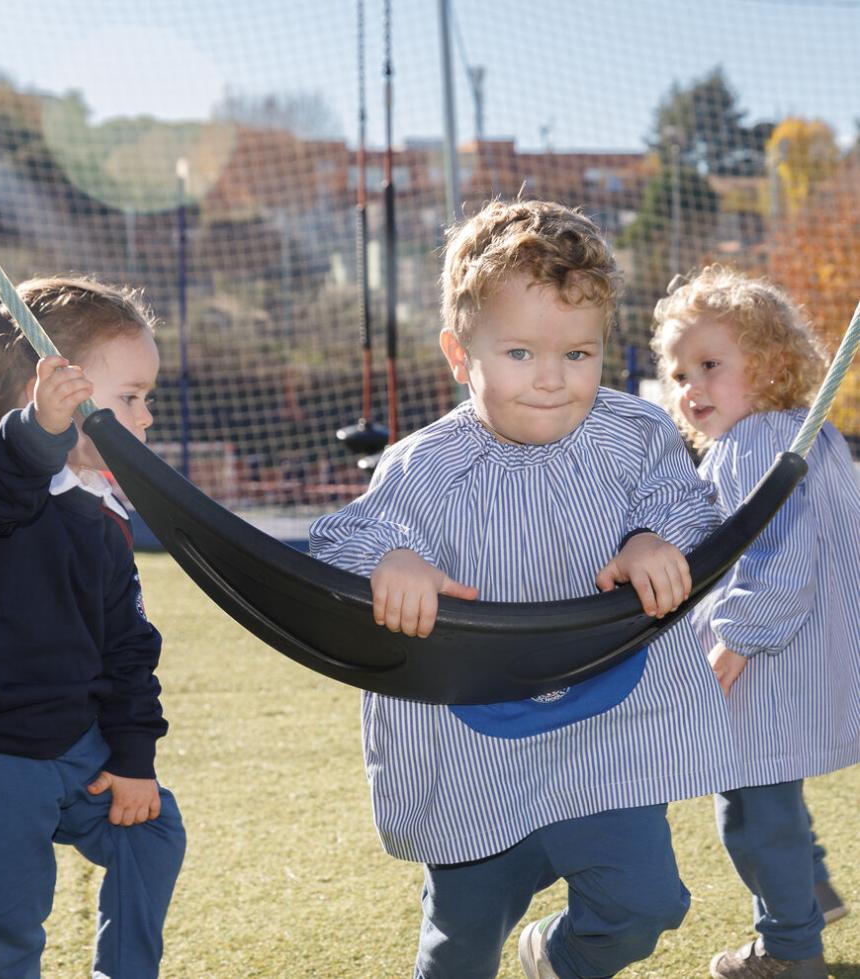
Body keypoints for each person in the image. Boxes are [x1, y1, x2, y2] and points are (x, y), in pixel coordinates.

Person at [310, 198, 742, 979]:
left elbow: (685, 503)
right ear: (457, 351)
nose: (552, 379)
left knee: (648, 903)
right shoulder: (423, 464)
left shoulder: (635, 434)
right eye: (518, 353)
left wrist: (652, 538)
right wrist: (392, 563)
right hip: (475, 748)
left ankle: (560, 956)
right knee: (461, 944)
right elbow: (343, 538)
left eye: (579, 354)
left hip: (606, 730)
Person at [0, 275, 186, 979]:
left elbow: (128, 648)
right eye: (129, 398)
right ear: (55, 387)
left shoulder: (101, 508)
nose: (144, 418)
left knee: (151, 830)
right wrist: (35, 433)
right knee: (1, 929)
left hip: (74, 748)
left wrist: (132, 754)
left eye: (147, 399)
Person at [653, 264, 859, 979]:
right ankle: (813, 887)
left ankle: (789, 948)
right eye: (679, 373)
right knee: (776, 787)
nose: (690, 387)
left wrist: (736, 637)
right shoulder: (814, 438)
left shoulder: (749, 448)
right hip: (818, 657)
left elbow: (781, 552)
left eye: (710, 365)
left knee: (747, 804)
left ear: (770, 366)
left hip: (771, 654)